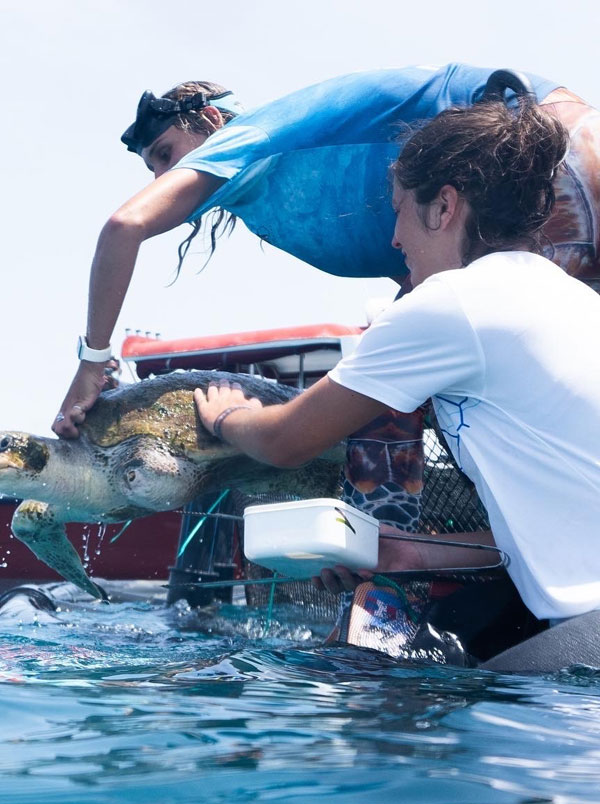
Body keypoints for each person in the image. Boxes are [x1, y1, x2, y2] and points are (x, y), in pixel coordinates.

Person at [52, 64, 600, 534]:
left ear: (212, 123)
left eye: (168, 155)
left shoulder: (255, 137)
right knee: (396, 368)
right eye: (155, 168)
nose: (166, 178)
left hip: (552, 155)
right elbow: (418, 279)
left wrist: (92, 364)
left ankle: (386, 581)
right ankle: (399, 549)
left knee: (387, 371)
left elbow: (125, 225)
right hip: (550, 178)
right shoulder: (276, 200)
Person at [192, 97, 600, 626]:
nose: (393, 238)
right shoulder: (575, 302)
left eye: (399, 209)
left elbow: (285, 441)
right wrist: (416, 551)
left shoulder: (456, 301)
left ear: (444, 206)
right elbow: (567, 518)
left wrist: (227, 416)